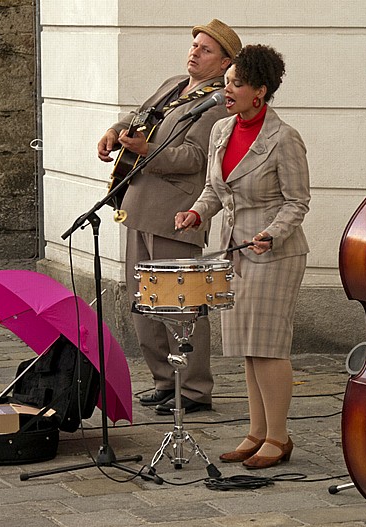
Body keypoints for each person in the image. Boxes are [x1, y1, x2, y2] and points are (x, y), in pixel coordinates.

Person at [175, 44, 311, 469]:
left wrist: (272, 233)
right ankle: (256, 432)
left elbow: (298, 201)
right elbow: (217, 188)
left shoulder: (284, 138)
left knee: (269, 347)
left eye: (236, 82)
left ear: (261, 91)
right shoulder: (221, 130)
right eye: (227, 80)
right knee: (249, 348)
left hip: (275, 254)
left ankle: (279, 437)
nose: (227, 88)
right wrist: (197, 212)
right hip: (235, 251)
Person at [96, 20, 242, 415]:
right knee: (142, 300)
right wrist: (115, 131)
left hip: (177, 213)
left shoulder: (216, 103)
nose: (194, 52)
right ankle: (165, 381)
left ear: (226, 62)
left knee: (181, 303)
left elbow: (195, 158)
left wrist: (147, 150)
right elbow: (138, 114)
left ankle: (193, 388)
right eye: (195, 45)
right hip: (139, 205)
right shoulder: (175, 84)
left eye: (206, 49)